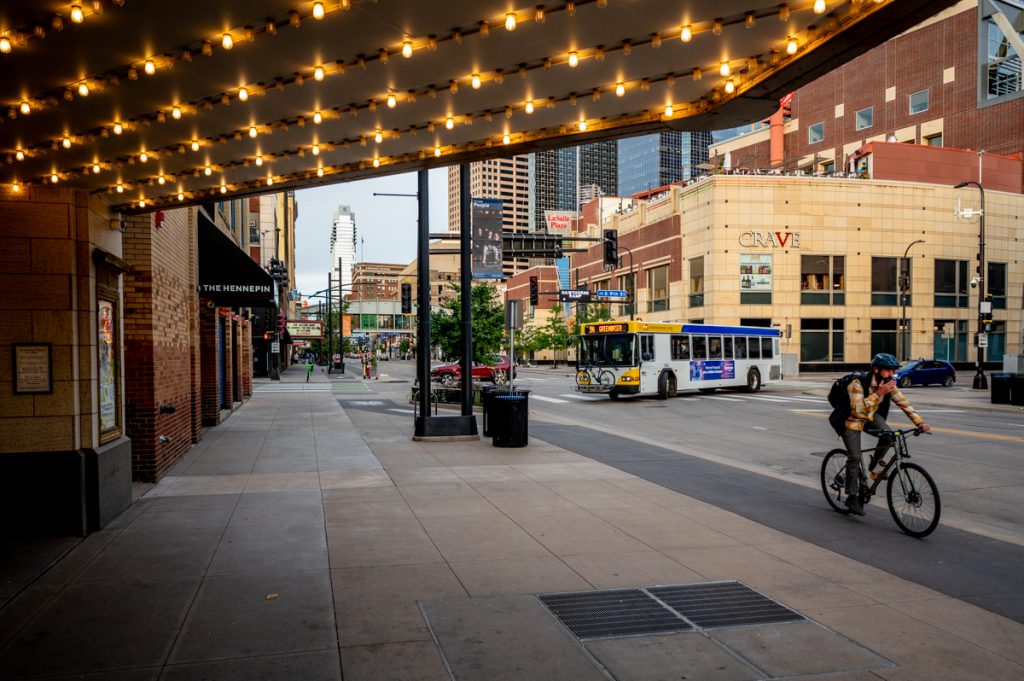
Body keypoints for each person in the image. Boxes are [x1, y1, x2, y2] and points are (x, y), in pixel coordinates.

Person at [841, 352, 931, 515]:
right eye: (888, 370)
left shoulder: (889, 383)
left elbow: (903, 402)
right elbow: (857, 409)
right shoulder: (857, 383)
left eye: (893, 371)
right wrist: (878, 393)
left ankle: (875, 466)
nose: (892, 375)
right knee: (854, 457)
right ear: (876, 369)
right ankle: (851, 496)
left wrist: (919, 422)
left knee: (889, 436)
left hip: (870, 416)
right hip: (851, 420)